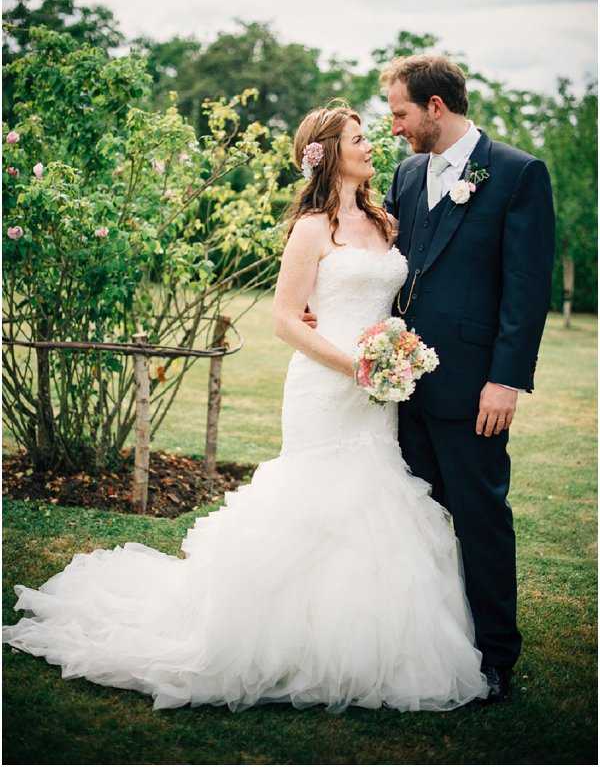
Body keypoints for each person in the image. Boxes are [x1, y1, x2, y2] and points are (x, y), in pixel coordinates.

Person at [3, 103, 488, 713]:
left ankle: (358, 642)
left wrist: (393, 358)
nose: (372, 146)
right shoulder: (311, 228)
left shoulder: (385, 221)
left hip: (377, 393)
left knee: (374, 497)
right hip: (326, 388)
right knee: (317, 504)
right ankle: (279, 638)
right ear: (329, 153)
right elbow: (285, 320)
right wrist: (355, 367)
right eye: (359, 139)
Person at [377, 56, 555, 702]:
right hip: (401, 384)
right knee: (413, 517)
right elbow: (386, 262)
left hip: (475, 387)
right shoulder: (406, 173)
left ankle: (496, 655)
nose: (394, 127)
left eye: (400, 113)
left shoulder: (516, 173)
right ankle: (427, 644)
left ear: (435, 107)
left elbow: (526, 289)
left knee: (479, 518)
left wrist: (506, 380)